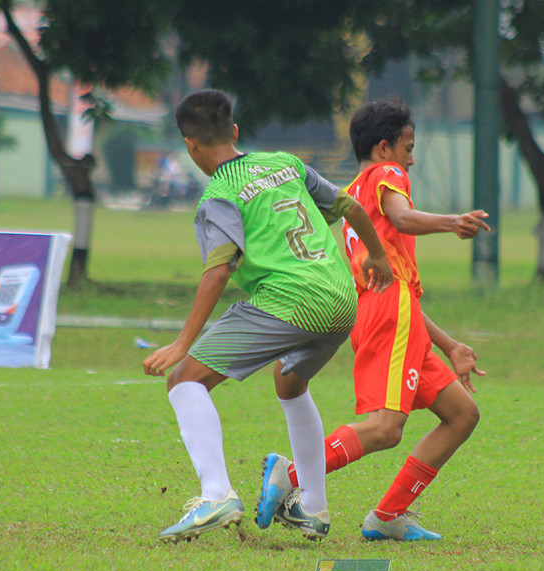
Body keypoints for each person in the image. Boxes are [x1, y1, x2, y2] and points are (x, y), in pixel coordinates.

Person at [143, 90, 393, 544]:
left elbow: (219, 270)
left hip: (291, 300)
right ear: (235, 132)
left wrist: (182, 344)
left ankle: (216, 493)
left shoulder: (218, 194)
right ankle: (313, 507)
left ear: (190, 145)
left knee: (184, 379)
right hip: (341, 300)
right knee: (290, 382)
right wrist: (377, 256)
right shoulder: (285, 163)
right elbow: (350, 206)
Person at [255, 99, 491, 541]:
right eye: (408, 148)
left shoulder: (351, 197)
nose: (412, 159)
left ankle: (387, 517)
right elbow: (403, 220)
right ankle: (289, 474)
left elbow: (396, 284)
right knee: (386, 428)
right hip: (391, 314)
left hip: (387, 314)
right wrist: (451, 221)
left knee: (461, 413)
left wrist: (448, 345)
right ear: (384, 148)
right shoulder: (388, 176)